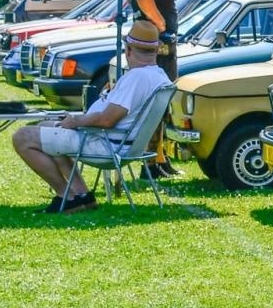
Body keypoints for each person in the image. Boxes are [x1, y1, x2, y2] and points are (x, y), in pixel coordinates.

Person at [11, 21, 171, 213]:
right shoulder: (159, 76)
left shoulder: (137, 77)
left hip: (106, 145)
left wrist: (76, 121)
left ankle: (66, 195)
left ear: (128, 50)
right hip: (121, 144)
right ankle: (82, 195)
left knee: (22, 137)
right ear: (155, 51)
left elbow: (107, 120)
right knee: (48, 125)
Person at [132, 0, 192, 176]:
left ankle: (159, 159)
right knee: (159, 104)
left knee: (156, 104)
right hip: (161, 48)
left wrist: (140, 18)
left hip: (149, 46)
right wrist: (159, 24)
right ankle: (152, 164)